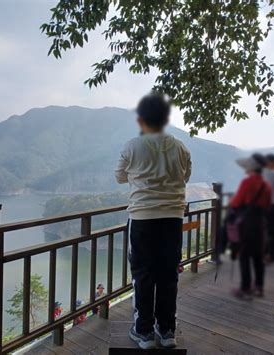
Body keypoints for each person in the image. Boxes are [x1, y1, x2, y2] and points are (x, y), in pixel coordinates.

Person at [115, 92, 191, 349]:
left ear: (141, 120)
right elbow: (185, 175)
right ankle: (167, 331)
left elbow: (119, 177)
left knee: (143, 274)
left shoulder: (131, 146)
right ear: (166, 119)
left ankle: (144, 331)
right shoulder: (180, 147)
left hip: (142, 218)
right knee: (169, 274)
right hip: (172, 218)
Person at [230, 154, 271, 299]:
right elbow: (267, 205)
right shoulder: (266, 186)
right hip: (260, 223)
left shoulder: (247, 182)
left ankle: (245, 289)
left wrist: (232, 202)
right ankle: (259, 287)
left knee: (245, 256)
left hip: (247, 224)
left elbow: (236, 203)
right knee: (258, 256)